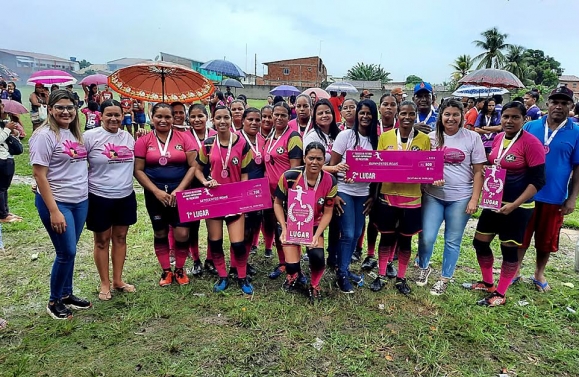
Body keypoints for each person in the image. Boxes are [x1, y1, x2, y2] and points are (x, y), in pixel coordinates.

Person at [466, 101, 546, 307]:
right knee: (480, 242)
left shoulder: (532, 143)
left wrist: (515, 204)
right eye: (506, 117)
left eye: (515, 117)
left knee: (509, 250)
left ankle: (500, 293)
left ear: (524, 119)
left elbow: (538, 181)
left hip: (518, 207)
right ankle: (487, 283)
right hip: (494, 202)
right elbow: (496, 164)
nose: (509, 121)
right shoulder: (499, 138)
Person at [29, 89, 92, 320]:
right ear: (50, 109)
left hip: (79, 201)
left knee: (70, 252)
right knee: (66, 251)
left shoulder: (74, 133)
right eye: (60, 107)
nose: (66, 112)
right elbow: (39, 175)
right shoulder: (44, 135)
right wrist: (54, 210)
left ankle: (67, 294)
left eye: (70, 107)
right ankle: (54, 300)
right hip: (57, 203)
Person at [417, 99, 486, 295]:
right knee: (427, 237)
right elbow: (421, 166)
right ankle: (424, 267)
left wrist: (474, 199)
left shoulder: (472, 138)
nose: (451, 118)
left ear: (462, 116)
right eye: (447, 114)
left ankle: (444, 278)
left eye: (455, 114)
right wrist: (431, 177)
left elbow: (478, 172)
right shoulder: (430, 138)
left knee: (452, 240)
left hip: (461, 197)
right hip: (433, 196)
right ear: (441, 116)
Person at [518, 86, 579, 292]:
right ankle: (515, 270)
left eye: (564, 103)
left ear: (571, 106)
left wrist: (572, 198)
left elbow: (578, 168)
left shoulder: (576, 132)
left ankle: (538, 273)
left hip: (554, 195)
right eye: (555, 102)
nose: (559, 106)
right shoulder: (530, 127)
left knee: (546, 240)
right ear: (547, 103)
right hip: (525, 194)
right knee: (521, 236)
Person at [370, 101, 431, 295]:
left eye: (411, 114)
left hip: (412, 197)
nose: (407, 117)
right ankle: (380, 274)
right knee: (386, 237)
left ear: (415, 116)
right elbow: (377, 165)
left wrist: (433, 177)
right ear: (398, 115)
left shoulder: (423, 140)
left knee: (405, 240)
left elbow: (427, 166)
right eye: (403, 113)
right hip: (388, 196)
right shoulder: (386, 137)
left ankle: (401, 278)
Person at [134, 103, 196, 287]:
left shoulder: (185, 138)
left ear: (174, 118)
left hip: (181, 194)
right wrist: (156, 191)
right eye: (159, 116)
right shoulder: (143, 141)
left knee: (182, 232)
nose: (163, 120)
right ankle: (166, 271)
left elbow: (193, 166)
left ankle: (180, 269)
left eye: (167, 117)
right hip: (155, 194)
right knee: (160, 231)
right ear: (151, 117)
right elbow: (138, 170)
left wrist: (180, 190)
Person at [195, 106, 255, 294]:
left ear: (231, 119)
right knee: (216, 242)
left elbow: (245, 174)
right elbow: (197, 169)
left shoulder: (242, 144)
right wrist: (205, 181)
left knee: (238, 244)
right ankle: (222, 276)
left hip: (235, 200)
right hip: (214, 199)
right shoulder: (207, 144)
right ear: (213, 120)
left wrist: (243, 198)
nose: (222, 121)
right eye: (218, 118)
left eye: (226, 117)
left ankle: (242, 277)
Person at [84, 99, 137, 300]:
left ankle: (118, 280)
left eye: (117, 115)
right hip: (99, 196)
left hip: (125, 195)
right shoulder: (90, 137)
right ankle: (104, 283)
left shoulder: (128, 138)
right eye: (109, 114)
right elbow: (76, 164)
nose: (114, 118)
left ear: (123, 116)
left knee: (121, 237)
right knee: (101, 240)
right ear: (101, 116)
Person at [274, 141, 338, 302]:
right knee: (292, 266)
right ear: (304, 158)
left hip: (314, 224)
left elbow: (328, 212)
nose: (314, 162)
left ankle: (314, 284)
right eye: (311, 158)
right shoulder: (290, 176)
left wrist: (316, 235)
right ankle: (293, 274)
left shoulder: (330, 181)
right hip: (292, 224)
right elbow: (277, 203)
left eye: (319, 159)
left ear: (324, 160)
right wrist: (284, 227)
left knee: (317, 257)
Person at [329, 99, 379, 293]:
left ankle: (345, 268)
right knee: (348, 233)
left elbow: (379, 172)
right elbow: (332, 167)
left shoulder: (376, 139)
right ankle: (341, 273)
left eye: (369, 113)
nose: (365, 116)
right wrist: (334, 195)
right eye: (362, 113)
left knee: (357, 233)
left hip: (363, 193)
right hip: (345, 191)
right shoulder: (346, 136)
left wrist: (373, 197)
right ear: (357, 115)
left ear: (374, 116)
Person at [359, 94, 399, 270]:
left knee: (395, 224)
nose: (388, 108)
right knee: (373, 220)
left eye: (392, 104)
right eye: (385, 104)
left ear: (397, 108)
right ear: (379, 108)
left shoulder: (404, 127)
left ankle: (390, 259)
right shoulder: (372, 128)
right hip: (374, 181)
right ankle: (369, 254)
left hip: (396, 183)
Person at [264, 102, 303, 279]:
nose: (279, 118)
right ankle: (282, 263)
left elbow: (296, 170)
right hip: (271, 194)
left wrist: (288, 194)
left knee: (291, 231)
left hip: (287, 194)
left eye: (283, 115)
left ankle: (294, 268)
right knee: (278, 229)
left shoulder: (293, 137)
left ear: (289, 117)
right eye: (276, 115)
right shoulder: (270, 136)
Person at [0, 99, 23, 223]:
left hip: (7, 158)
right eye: (1, 105)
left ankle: (5, 211)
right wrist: (7, 129)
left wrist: (14, 131)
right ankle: (2, 215)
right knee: (1, 188)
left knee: (4, 187)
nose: (3, 106)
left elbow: (11, 137)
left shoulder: (3, 123)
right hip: (1, 159)